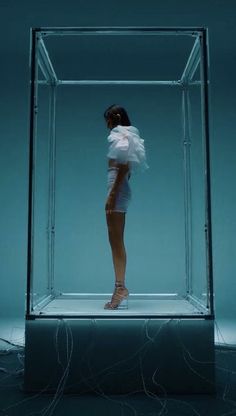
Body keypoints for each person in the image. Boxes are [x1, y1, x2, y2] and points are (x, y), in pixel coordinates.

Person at [104, 104, 149, 310]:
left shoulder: (121, 135)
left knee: (116, 240)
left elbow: (123, 166)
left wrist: (112, 194)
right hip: (118, 187)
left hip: (118, 188)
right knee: (115, 239)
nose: (107, 124)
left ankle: (120, 287)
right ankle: (119, 286)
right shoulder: (128, 135)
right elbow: (126, 166)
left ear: (115, 118)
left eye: (108, 119)